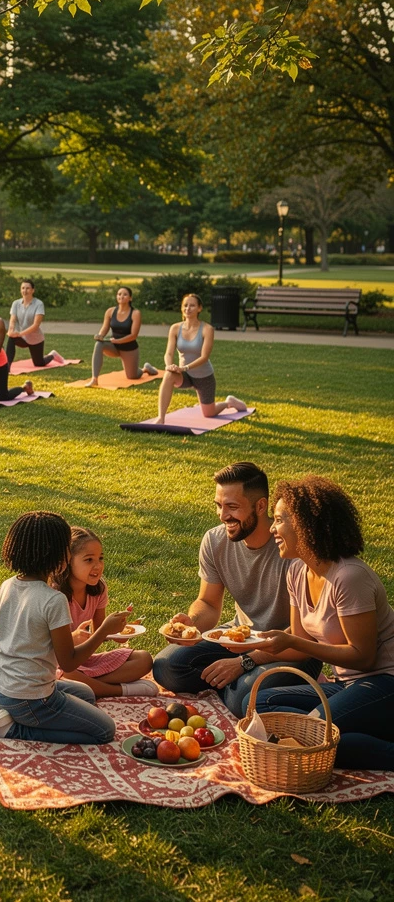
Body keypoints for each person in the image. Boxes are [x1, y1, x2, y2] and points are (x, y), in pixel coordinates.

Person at [151, 463, 322, 715]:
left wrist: (245, 662)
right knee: (165, 667)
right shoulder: (215, 540)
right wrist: (193, 624)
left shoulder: (291, 549)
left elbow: (303, 637)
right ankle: (235, 683)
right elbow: (208, 603)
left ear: (260, 506)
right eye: (219, 505)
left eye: (232, 507)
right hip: (238, 637)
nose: (222, 516)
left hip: (290, 648)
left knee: (244, 699)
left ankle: (240, 685)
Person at [249, 478, 394, 770]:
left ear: (305, 523)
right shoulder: (296, 572)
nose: (272, 528)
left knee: (315, 734)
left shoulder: (349, 577)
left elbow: (363, 657)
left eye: (278, 520)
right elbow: (299, 649)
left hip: (385, 681)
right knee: (261, 705)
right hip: (346, 685)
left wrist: (290, 640)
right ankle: (359, 730)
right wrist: (248, 649)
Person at [0, 511, 128, 740]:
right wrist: (103, 631)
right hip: (30, 698)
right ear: (57, 555)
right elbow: (68, 662)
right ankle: (9, 728)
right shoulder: (53, 600)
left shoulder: (8, 585)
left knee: (86, 694)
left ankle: (3, 707)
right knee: (104, 730)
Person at [54, 527, 156, 697]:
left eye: (100, 558)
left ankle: (90, 686)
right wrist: (73, 638)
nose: (98, 566)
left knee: (144, 659)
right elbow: (47, 647)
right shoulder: (56, 597)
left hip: (84, 660)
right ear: (68, 561)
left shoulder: (98, 589)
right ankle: (119, 690)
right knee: (63, 672)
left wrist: (117, 631)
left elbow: (99, 630)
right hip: (60, 662)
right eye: (89, 560)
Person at [155, 293, 246, 423]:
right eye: (185, 305)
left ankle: (228, 402)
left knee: (209, 413)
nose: (188, 308)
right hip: (185, 375)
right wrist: (170, 366)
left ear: (199, 308)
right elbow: (168, 353)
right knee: (168, 375)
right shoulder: (175, 328)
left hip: (203, 376)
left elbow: (204, 357)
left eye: (192, 305)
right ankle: (161, 418)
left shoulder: (207, 329)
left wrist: (184, 367)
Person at [85, 286, 157, 386]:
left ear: (130, 298)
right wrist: (100, 335)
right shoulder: (110, 311)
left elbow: (133, 335)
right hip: (114, 346)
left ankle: (145, 369)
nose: (121, 296)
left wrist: (118, 341)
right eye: (119, 294)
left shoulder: (135, 313)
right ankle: (94, 379)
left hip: (129, 348)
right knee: (99, 344)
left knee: (132, 376)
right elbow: (105, 328)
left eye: (125, 294)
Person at [5, 279, 66, 370]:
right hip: (22, 338)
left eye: (28, 288)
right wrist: (11, 330)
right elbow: (13, 320)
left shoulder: (39, 304)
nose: (25, 291)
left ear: (33, 290)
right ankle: (7, 367)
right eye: (23, 288)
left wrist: (19, 334)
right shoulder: (16, 303)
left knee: (39, 363)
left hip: (35, 338)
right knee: (11, 338)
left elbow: (36, 325)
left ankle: (52, 355)